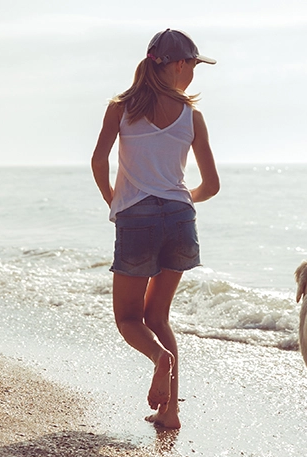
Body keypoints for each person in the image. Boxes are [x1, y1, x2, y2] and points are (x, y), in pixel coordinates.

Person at [90, 28, 220, 429]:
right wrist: (178, 201)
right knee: (158, 317)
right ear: (180, 64)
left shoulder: (120, 108)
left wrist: (119, 202)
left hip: (138, 219)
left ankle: (159, 358)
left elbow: (98, 161)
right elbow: (211, 186)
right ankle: (171, 412)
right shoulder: (192, 116)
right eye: (195, 64)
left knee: (129, 319)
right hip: (181, 220)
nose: (195, 72)